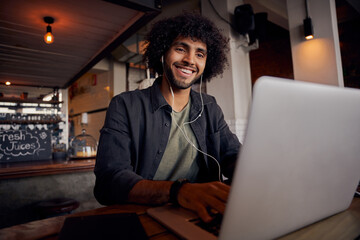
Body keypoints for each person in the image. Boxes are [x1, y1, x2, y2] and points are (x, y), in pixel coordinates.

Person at [94, 12, 241, 223]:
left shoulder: (210, 107)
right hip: (147, 218)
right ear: (163, 52)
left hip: (206, 215)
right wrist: (179, 192)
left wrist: (254, 170)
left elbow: (232, 155)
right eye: (181, 49)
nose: (190, 60)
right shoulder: (125, 105)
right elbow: (110, 181)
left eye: (200, 54)